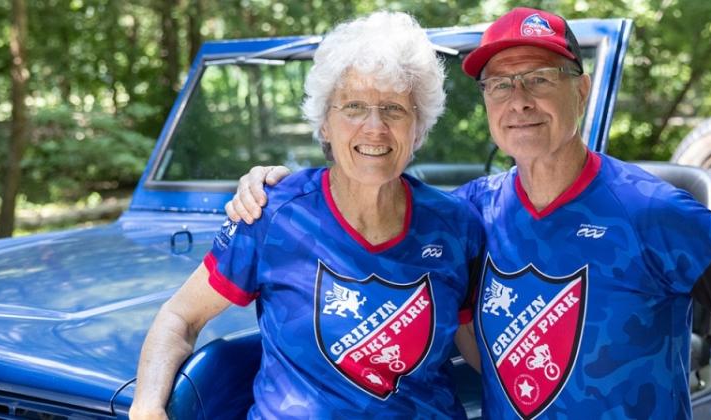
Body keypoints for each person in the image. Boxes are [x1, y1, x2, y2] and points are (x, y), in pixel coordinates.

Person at [225, 7, 711, 420]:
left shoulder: (652, 209)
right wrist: (270, 184)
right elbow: (371, 210)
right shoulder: (471, 214)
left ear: (580, 92)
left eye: (539, 79)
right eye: (500, 85)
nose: (520, 101)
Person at [129, 12, 484, 419]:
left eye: (393, 109)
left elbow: (480, 345)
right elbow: (180, 317)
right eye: (353, 106)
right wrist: (147, 405)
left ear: (418, 126)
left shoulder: (456, 226)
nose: (375, 127)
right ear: (325, 124)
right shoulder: (272, 213)